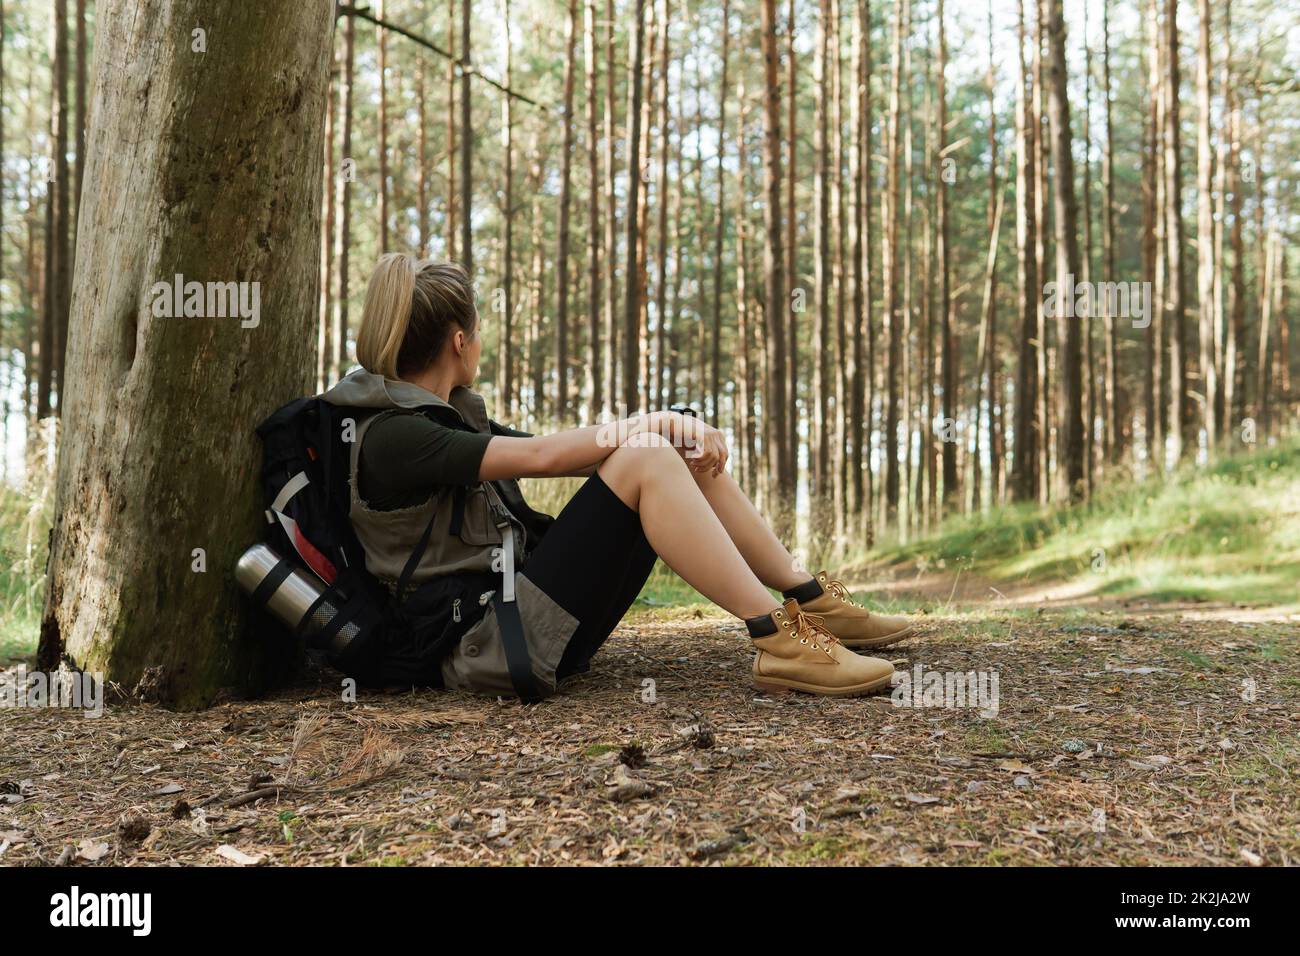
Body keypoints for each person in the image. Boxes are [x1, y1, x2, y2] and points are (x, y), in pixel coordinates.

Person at [321, 254, 914, 699]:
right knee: (649, 452)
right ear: (459, 340)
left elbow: (569, 454)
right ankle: (779, 639)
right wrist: (651, 425)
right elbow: (544, 458)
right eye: (477, 333)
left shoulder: (439, 419)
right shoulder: (397, 436)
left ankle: (808, 600)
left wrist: (669, 430)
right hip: (482, 649)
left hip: (515, 628)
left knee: (658, 451)